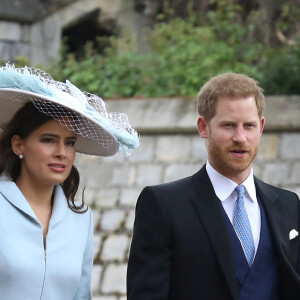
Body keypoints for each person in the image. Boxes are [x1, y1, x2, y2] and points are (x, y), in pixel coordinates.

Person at [127, 73, 300, 299]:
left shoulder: (288, 204)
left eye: (249, 125)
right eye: (228, 125)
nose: (240, 137)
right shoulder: (164, 205)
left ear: (261, 127)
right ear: (203, 127)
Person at [0, 64, 139, 300]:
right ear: (18, 144)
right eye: (48, 140)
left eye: (70, 142)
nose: (62, 152)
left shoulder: (81, 218)